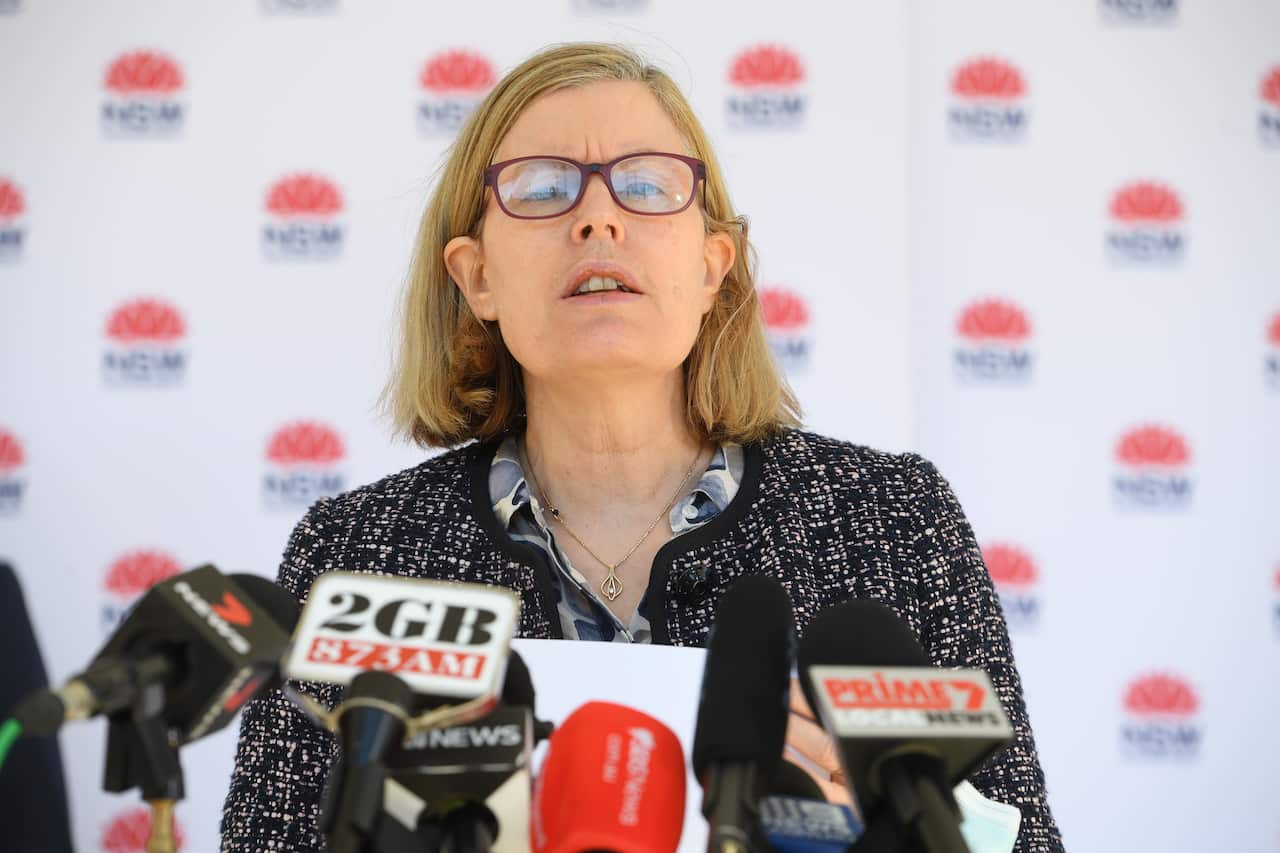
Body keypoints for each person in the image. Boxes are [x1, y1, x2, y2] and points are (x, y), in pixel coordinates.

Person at [221, 42, 1063, 852]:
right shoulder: (357, 554)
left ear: (712, 267)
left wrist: (881, 821)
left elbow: (1023, 838)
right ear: (477, 276)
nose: (597, 218)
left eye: (648, 185)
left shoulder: (892, 519)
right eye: (544, 188)